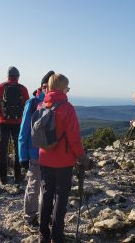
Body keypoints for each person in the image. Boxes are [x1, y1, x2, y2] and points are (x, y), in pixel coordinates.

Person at [38, 73, 90, 243]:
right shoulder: (67, 108)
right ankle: (57, 236)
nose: (68, 90)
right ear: (61, 88)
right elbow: (74, 138)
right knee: (60, 198)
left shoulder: (42, 105)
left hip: (44, 159)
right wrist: (83, 159)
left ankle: (43, 234)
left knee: (46, 196)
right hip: (64, 161)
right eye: (67, 87)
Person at [19, 71, 54, 229]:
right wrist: (22, 157)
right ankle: (30, 217)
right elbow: (23, 132)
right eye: (47, 86)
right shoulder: (32, 102)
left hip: (50, 154)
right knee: (34, 186)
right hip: (34, 154)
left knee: (46, 188)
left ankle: (44, 216)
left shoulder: (52, 102)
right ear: (43, 86)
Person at [0, 66, 29, 185]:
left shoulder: (1, 87)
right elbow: (27, 107)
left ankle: (2, 177)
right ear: (18, 76)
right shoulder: (23, 89)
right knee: (17, 149)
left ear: (8, 76)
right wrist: (22, 119)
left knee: (2, 149)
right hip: (18, 123)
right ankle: (17, 176)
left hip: (4, 123)